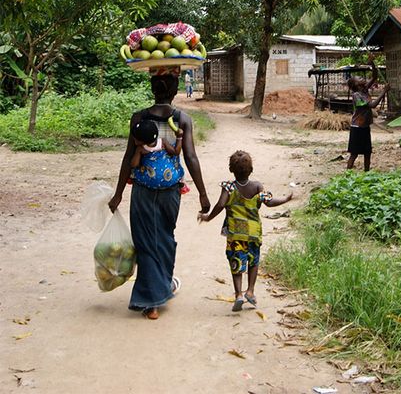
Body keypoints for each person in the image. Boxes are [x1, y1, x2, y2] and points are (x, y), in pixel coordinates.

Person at [108, 71, 210, 320]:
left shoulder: (139, 118)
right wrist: (203, 194)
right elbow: (190, 157)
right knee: (164, 239)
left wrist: (119, 193)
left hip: (142, 192)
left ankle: (154, 294)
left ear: (152, 89)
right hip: (170, 194)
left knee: (145, 243)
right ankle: (156, 294)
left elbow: (127, 158)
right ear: (175, 91)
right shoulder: (182, 119)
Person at [198, 150, 293, 312]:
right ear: (251, 170)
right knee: (253, 262)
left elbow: (220, 205)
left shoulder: (229, 187)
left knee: (236, 263)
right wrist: (285, 199)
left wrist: (208, 217)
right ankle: (250, 291)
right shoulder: (257, 186)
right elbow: (269, 202)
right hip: (254, 234)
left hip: (236, 234)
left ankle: (238, 295)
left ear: (231, 169)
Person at [346, 58, 390, 172]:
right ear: (355, 84)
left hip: (364, 127)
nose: (363, 78)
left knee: (367, 152)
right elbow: (373, 105)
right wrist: (384, 91)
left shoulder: (364, 90)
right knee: (354, 154)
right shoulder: (357, 95)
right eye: (359, 78)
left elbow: (375, 76)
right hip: (357, 128)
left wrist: (373, 64)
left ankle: (367, 173)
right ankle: (348, 175)